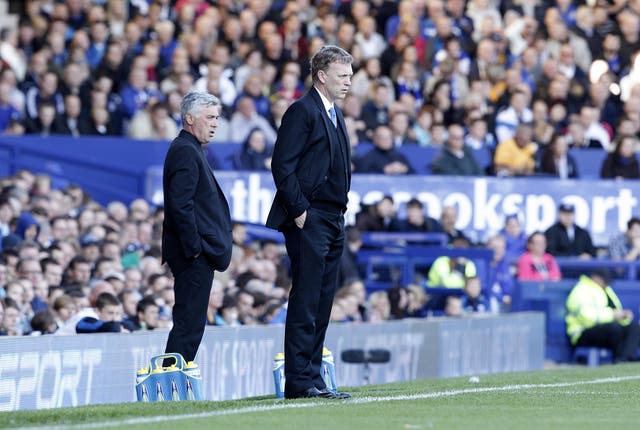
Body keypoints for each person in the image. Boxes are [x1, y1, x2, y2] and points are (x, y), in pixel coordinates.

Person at [265, 45, 353, 400]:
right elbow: (281, 165)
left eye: (350, 75)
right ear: (321, 75)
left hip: (333, 218)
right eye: (342, 75)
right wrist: (300, 211)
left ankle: (313, 377)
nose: (349, 81)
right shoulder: (302, 111)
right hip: (311, 218)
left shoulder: (334, 112)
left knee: (322, 301)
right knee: (306, 299)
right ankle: (299, 381)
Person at [162, 91, 233, 363]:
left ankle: (175, 378)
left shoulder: (191, 149)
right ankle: (172, 380)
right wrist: (195, 249)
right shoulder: (184, 150)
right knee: (188, 325)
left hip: (194, 253)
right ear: (189, 118)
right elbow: (181, 206)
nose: (215, 123)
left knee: (191, 324)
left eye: (217, 117)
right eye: (210, 117)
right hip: (192, 255)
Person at [566, 269, 640, 363]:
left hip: (608, 328)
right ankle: (619, 361)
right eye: (604, 281)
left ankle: (628, 359)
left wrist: (624, 316)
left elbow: (616, 310)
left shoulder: (607, 290)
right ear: (595, 278)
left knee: (634, 328)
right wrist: (612, 315)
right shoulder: (581, 289)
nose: (606, 283)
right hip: (582, 332)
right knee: (614, 329)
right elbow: (586, 316)